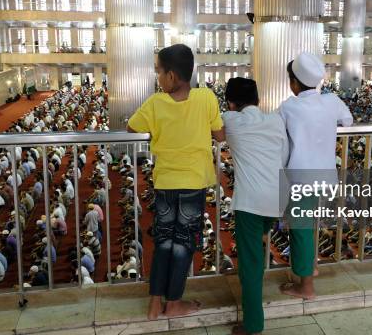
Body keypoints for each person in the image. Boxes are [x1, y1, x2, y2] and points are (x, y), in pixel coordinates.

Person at [127, 44, 224, 320]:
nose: (157, 78)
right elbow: (219, 134)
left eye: (159, 72)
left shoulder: (155, 103)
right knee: (183, 245)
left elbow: (132, 128)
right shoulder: (206, 98)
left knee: (164, 243)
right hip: (193, 182)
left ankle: (155, 304)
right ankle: (174, 303)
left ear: (171, 76)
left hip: (166, 183)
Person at [279, 52, 353, 300]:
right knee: (308, 227)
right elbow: (348, 120)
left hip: (301, 180)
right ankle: (310, 267)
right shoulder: (331, 101)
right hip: (325, 177)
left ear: (294, 83)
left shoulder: (289, 107)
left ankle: (306, 287)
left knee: (300, 231)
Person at [221, 78, 288, 335]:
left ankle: (253, 325)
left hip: (251, 201)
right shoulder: (275, 120)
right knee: (256, 251)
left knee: (249, 262)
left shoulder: (231, 119)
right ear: (258, 100)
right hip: (278, 197)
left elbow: (216, 133)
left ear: (231, 102)